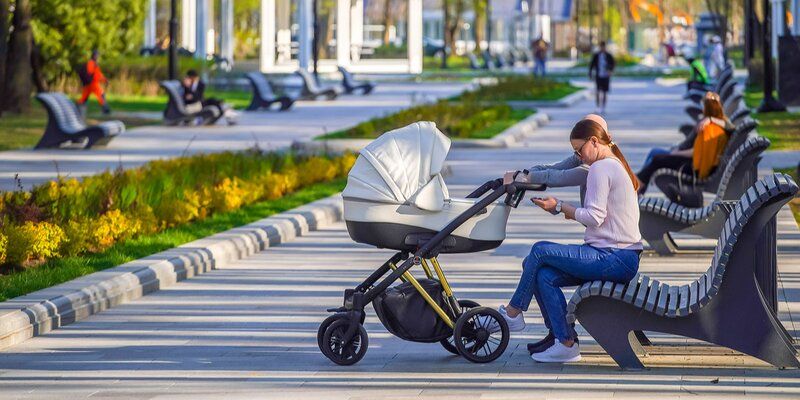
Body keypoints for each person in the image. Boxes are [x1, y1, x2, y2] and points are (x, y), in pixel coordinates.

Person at [497, 114, 643, 363]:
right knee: (543, 274)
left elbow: (594, 217)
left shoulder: (600, 168)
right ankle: (564, 341)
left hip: (614, 257)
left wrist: (559, 206)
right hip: (616, 256)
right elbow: (556, 171)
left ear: (594, 141)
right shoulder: (610, 164)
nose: (579, 156)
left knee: (540, 251)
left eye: (579, 150)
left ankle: (513, 312)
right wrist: (554, 204)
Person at [635, 92, 731, 195]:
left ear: (706, 109)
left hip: (691, 168)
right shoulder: (717, 126)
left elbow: (695, 153)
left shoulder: (709, 129)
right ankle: (638, 186)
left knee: (656, 159)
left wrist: (675, 153)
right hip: (691, 162)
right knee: (656, 155)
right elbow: (730, 127)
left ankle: (637, 187)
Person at [77, 50, 110, 114]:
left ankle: (76, 107)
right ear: (93, 56)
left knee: (84, 98)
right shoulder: (91, 63)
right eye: (96, 55)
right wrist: (93, 79)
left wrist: (105, 80)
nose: (97, 57)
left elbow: (99, 75)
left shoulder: (94, 64)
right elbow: (92, 73)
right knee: (101, 95)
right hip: (92, 83)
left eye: (97, 55)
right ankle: (106, 109)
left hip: (89, 84)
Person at [588, 42, 615, 115]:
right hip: (598, 75)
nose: (602, 48)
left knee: (605, 92)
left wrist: (610, 70)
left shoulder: (608, 55)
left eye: (603, 47)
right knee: (598, 91)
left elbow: (613, 64)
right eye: (601, 47)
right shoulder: (596, 55)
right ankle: (598, 107)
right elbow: (592, 64)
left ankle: (603, 107)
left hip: (606, 76)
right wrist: (590, 73)